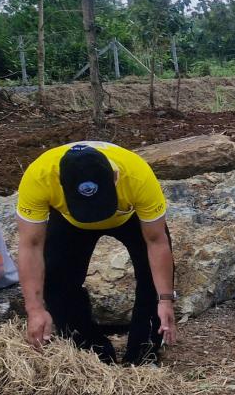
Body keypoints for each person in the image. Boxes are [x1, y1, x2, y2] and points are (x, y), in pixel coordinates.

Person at [15, 142, 177, 364]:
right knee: (56, 283)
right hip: (70, 220)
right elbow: (30, 245)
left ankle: (143, 355)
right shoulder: (39, 177)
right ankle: (92, 353)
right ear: (60, 183)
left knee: (154, 281)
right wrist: (34, 309)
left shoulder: (137, 175)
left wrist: (165, 300)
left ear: (116, 177)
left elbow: (157, 241)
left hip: (127, 216)